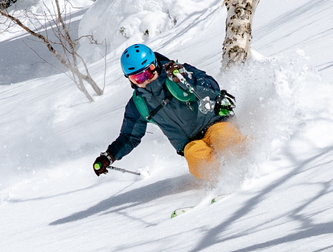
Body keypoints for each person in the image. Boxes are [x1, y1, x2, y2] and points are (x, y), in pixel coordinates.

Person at [93, 43, 244, 181]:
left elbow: (212, 87)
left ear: (155, 64)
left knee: (224, 138)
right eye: (137, 78)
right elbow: (129, 136)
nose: (145, 80)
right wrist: (110, 156)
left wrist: (184, 79)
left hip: (214, 123)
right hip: (190, 143)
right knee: (196, 158)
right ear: (129, 79)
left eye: (149, 72)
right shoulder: (138, 104)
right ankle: (225, 181)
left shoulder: (178, 73)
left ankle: (251, 165)